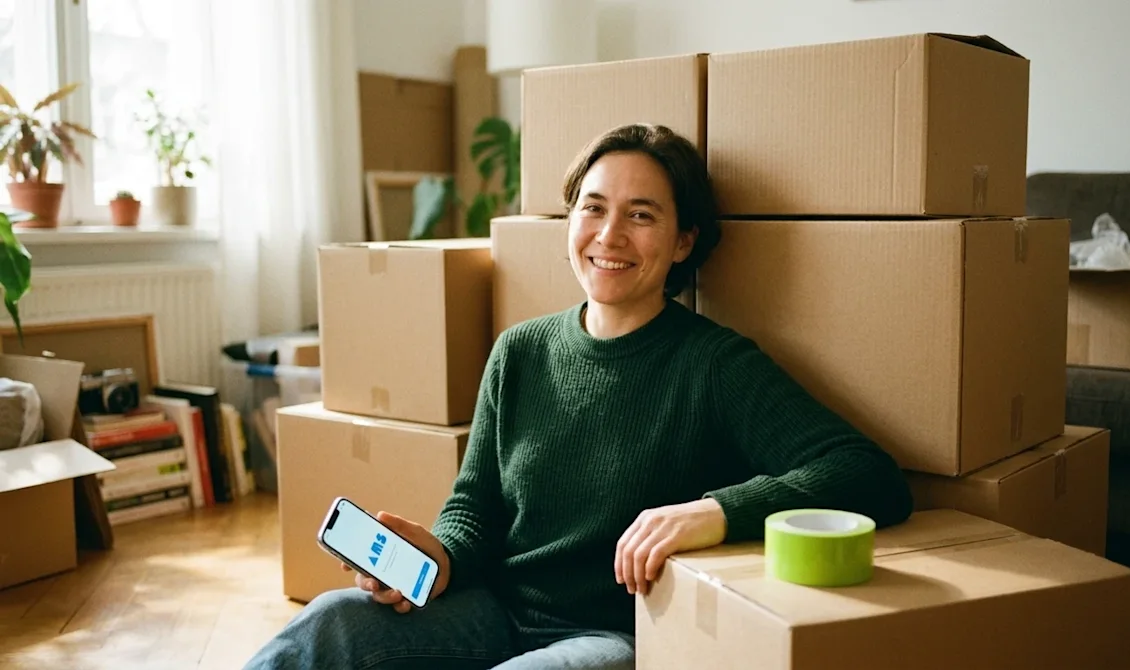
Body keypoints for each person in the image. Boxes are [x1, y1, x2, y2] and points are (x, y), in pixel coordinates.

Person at [244, 123, 914, 670]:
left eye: (641, 216)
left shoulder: (714, 364)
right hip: (493, 613)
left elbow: (867, 474)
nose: (609, 235)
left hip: (615, 638)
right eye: (592, 208)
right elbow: (475, 507)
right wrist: (438, 553)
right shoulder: (520, 351)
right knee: (331, 622)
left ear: (684, 242)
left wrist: (713, 512)